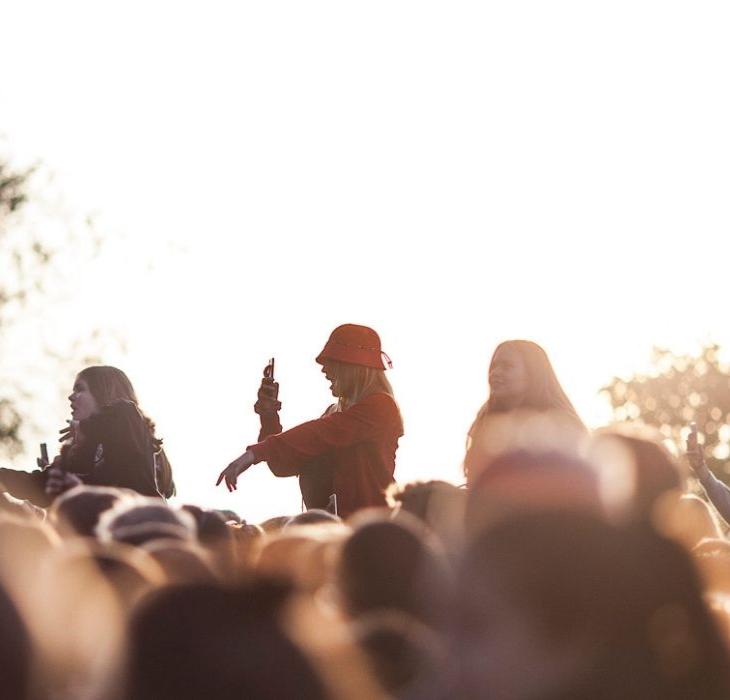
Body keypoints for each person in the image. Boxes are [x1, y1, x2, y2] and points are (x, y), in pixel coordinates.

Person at [217, 324, 404, 518]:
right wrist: (269, 415)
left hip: (370, 532)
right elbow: (283, 464)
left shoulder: (381, 407)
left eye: (331, 361)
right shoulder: (335, 413)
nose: (324, 368)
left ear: (351, 366)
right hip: (334, 532)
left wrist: (255, 453)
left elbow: (317, 434)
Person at [0, 366, 174, 506]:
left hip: (141, 529)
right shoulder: (82, 447)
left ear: (103, 392)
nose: (70, 397)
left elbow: (118, 423)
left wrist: (86, 427)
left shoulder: (126, 415)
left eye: (80, 389)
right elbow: (40, 485)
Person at [463, 340, 585, 482]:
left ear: (533, 373)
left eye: (506, 366)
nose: (495, 373)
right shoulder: (485, 419)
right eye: (494, 366)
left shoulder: (562, 425)